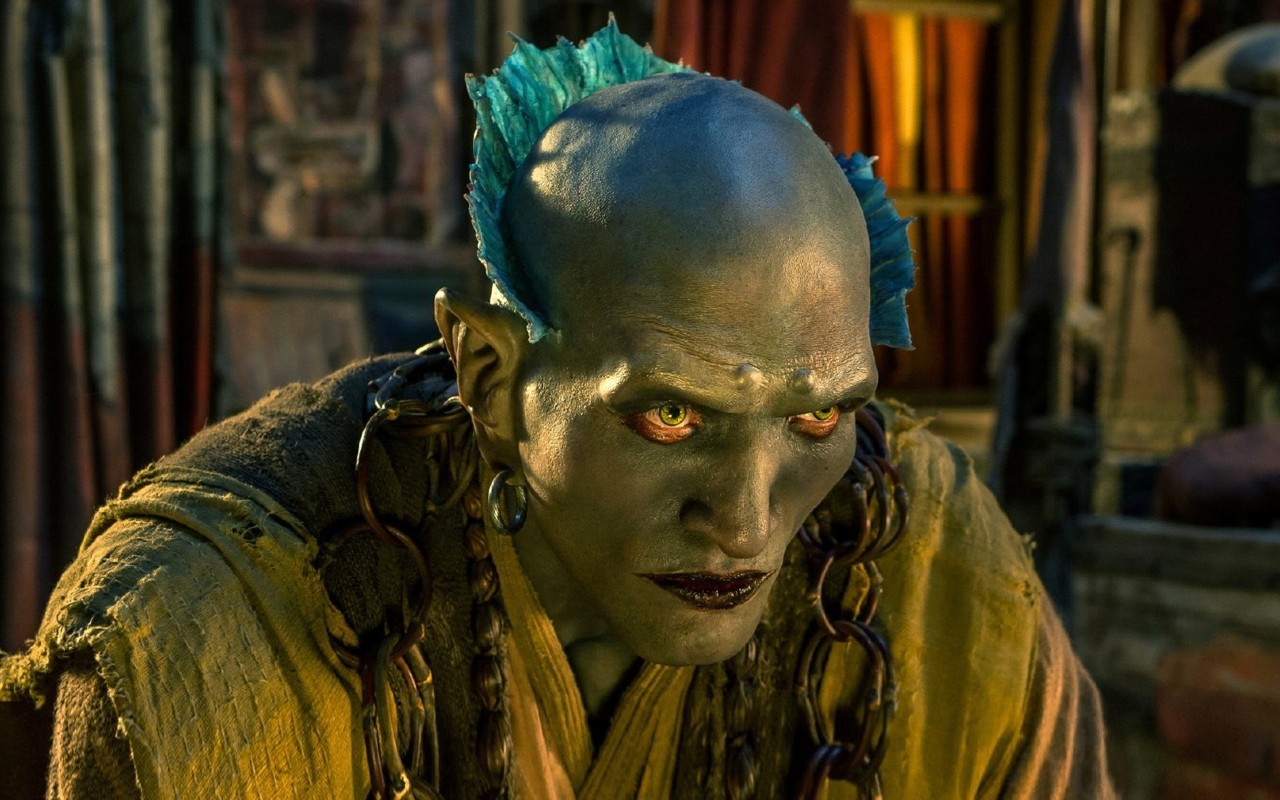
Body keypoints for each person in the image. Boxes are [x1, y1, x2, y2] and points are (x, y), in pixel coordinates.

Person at [2, 22, 1113, 799]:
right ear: (491, 381)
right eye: (670, 416)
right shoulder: (208, 637)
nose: (744, 520)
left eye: (814, 419)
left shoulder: (937, 574)